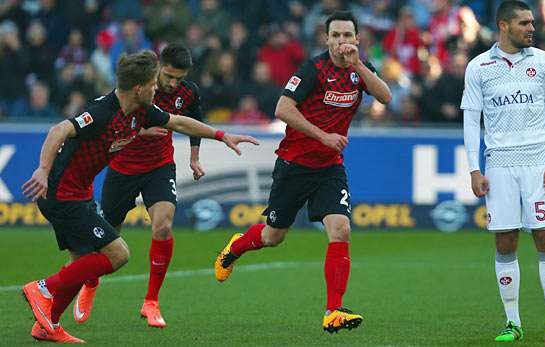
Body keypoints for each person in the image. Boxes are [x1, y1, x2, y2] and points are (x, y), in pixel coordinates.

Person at [21, 50, 258, 343]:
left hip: (79, 193)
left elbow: (180, 122)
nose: (157, 88)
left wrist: (222, 136)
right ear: (139, 87)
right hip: (61, 194)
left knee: (82, 262)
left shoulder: (142, 110)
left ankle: (47, 325)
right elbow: (59, 130)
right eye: (153, 84)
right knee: (118, 253)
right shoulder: (101, 112)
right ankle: (43, 288)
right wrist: (43, 170)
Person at [214, 10, 391, 334]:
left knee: (341, 230)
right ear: (325, 39)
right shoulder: (313, 69)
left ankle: (333, 311)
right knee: (273, 236)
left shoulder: (358, 71)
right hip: (295, 165)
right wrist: (323, 136)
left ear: (357, 39)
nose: (341, 42)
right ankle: (236, 247)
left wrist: (359, 65)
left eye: (347, 36)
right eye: (335, 36)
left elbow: (385, 96)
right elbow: (282, 108)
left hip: (329, 168)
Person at [72, 43, 205, 328]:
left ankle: (151, 301)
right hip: (123, 168)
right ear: (157, 69)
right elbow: (114, 120)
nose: (173, 83)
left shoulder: (188, 92)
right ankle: (91, 283)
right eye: (168, 76)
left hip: (159, 167)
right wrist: (141, 132)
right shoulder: (138, 86)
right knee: (108, 239)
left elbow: (194, 118)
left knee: (164, 226)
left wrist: (194, 157)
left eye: (179, 79)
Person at [461, 1, 545, 342]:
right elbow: (470, 121)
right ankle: (513, 322)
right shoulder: (479, 67)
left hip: (538, 161)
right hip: (499, 163)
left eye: (532, 22)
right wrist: (474, 169)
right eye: (524, 23)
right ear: (504, 26)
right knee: (505, 240)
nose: (532, 28)